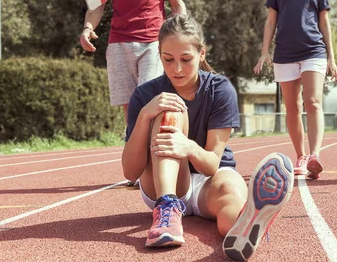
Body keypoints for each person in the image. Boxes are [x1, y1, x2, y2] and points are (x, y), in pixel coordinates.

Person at [121, 14, 294, 260]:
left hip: (210, 177)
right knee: (170, 108)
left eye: (186, 59)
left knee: (231, 203)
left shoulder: (220, 89)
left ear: (202, 54)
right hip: (163, 183)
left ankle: (246, 225)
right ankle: (167, 207)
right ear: (159, 54)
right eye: (168, 59)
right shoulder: (145, 94)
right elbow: (130, 172)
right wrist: (145, 115)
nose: (176, 68)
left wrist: (188, 146)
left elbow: (212, 164)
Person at [253, 0, 337, 180]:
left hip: (313, 51)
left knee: (313, 102)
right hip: (285, 54)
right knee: (293, 108)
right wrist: (264, 53)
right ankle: (301, 156)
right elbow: (271, 22)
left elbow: (325, 23)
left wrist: (331, 58)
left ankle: (315, 155)